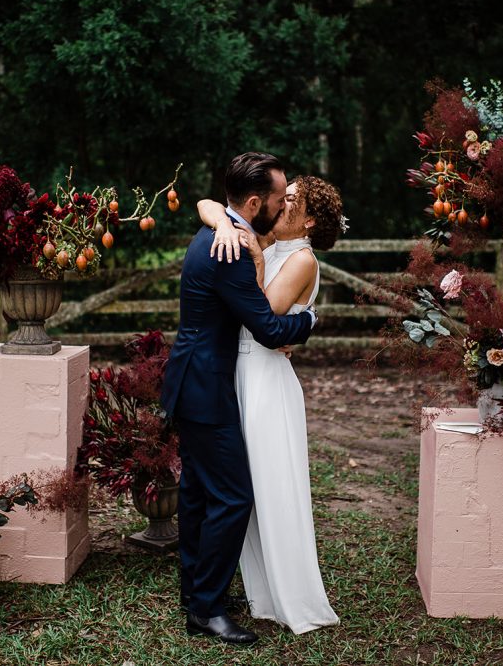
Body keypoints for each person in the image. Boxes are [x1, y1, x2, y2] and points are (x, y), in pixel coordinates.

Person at [160, 152, 317, 646]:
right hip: (207, 390)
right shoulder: (227, 251)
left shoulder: (220, 230)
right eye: (276, 199)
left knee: (200, 494)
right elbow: (270, 329)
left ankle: (195, 594)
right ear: (253, 203)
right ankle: (206, 609)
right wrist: (310, 321)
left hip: (194, 382)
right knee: (232, 497)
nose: (281, 204)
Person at [196, 175, 345, 634]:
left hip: (266, 383)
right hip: (240, 375)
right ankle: (257, 589)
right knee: (245, 491)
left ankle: (290, 594)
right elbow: (205, 202)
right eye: (283, 199)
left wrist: (257, 256)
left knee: (272, 489)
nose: (281, 207)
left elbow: (260, 312)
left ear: (310, 220)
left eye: (292, 203)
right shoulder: (268, 238)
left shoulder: (300, 259)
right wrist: (224, 223)